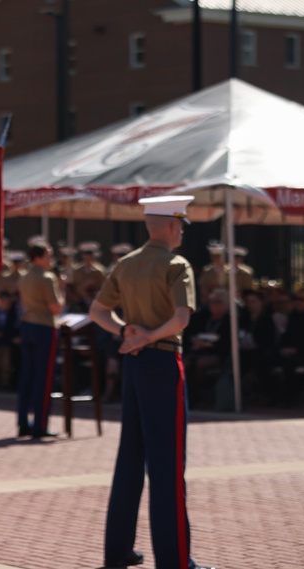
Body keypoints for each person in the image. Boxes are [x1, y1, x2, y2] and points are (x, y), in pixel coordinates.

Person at [89, 195, 215, 569]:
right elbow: (180, 320)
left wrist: (125, 333)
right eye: (181, 224)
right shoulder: (176, 264)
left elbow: (98, 311)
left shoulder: (126, 264)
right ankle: (175, 561)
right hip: (161, 360)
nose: (181, 231)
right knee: (167, 465)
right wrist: (146, 336)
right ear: (174, 225)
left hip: (135, 363)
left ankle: (118, 551)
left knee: (130, 458)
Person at [16, 243, 63, 439]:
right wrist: (63, 291)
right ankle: (40, 426)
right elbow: (56, 308)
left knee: (27, 377)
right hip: (43, 328)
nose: (50, 260)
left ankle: (23, 423)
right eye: (48, 255)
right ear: (38, 257)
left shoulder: (24, 276)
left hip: (27, 326)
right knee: (43, 379)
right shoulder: (46, 278)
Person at [0, 290, 20, 390]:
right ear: (0, 301)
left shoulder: (13, 314)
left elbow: (14, 328)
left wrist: (7, 336)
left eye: (9, 302)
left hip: (7, 343)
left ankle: (5, 384)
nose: (7, 304)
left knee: (6, 365)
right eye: (5, 302)